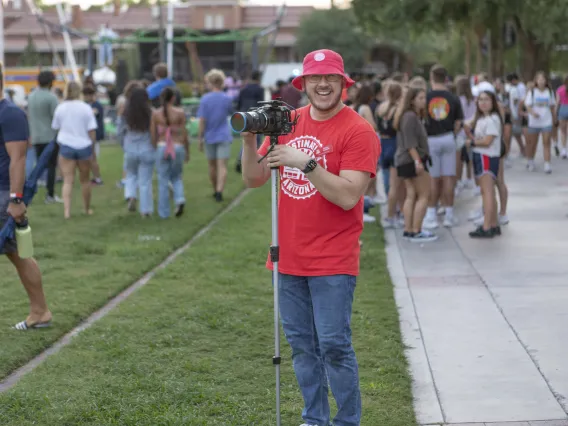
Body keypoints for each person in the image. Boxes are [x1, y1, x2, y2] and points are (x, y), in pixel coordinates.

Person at [240, 49, 380, 426]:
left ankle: (347, 420)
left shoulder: (358, 131)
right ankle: (314, 419)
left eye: (330, 79)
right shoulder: (288, 120)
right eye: (314, 79)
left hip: (333, 259)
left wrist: (305, 162)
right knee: (302, 348)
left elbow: (349, 194)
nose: (321, 85)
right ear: (302, 84)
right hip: (287, 256)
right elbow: (253, 178)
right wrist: (249, 139)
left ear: (343, 84)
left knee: (334, 346)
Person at [0, 66, 52, 330]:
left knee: (20, 255)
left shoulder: (9, 114)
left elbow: (18, 159)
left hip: (3, 194)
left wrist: (16, 198)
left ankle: (40, 311)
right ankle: (40, 311)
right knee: (19, 255)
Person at [422, 64, 464, 229]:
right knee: (448, 177)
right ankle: (449, 215)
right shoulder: (453, 98)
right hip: (448, 137)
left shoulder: (426, 97)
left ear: (431, 78)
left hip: (431, 139)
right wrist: (452, 133)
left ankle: (431, 214)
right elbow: (459, 122)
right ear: (446, 79)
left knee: (433, 178)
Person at [393, 86, 436, 242]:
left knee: (411, 194)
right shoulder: (410, 117)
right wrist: (418, 161)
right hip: (412, 159)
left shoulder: (408, 116)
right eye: (420, 98)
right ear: (412, 100)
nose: (424, 101)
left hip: (405, 159)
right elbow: (410, 143)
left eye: (424, 98)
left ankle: (409, 229)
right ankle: (416, 229)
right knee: (424, 194)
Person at [51, 82, 97, 219]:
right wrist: (92, 147)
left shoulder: (60, 108)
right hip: (83, 146)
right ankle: (87, 208)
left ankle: (67, 212)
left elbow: (56, 126)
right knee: (85, 180)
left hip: (66, 145)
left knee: (67, 180)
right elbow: (92, 130)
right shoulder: (86, 108)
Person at [464, 90, 503, 238]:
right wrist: (470, 135)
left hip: (486, 157)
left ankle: (486, 227)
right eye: (480, 100)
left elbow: (487, 141)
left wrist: (471, 142)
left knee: (486, 192)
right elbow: (479, 138)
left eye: (487, 100)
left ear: (493, 102)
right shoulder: (482, 119)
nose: (483, 102)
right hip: (481, 156)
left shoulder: (492, 119)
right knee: (489, 192)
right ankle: (493, 224)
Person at [151, 87, 190, 218]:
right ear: (173, 98)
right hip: (177, 146)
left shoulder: (156, 114)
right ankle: (179, 199)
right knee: (177, 176)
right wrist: (187, 150)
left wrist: (153, 148)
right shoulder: (179, 113)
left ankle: (164, 213)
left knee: (162, 179)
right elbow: (184, 133)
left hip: (162, 146)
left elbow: (153, 134)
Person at [117, 87, 156, 217]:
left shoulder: (125, 113)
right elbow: (154, 132)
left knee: (131, 175)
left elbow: (120, 131)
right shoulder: (151, 113)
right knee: (145, 181)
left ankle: (131, 196)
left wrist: (123, 145)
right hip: (147, 148)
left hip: (130, 148)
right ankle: (145, 210)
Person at [197, 69, 234, 202]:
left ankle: (215, 189)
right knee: (222, 165)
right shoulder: (227, 98)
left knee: (212, 165)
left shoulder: (205, 99)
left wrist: (200, 138)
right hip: (223, 134)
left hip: (209, 135)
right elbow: (232, 113)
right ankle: (219, 190)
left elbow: (202, 120)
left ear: (210, 82)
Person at [27, 70, 61, 203]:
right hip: (50, 137)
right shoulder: (51, 97)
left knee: (38, 166)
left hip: (35, 136)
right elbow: (56, 118)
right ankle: (50, 195)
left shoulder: (31, 96)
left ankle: (30, 192)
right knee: (52, 166)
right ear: (50, 82)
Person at [82, 85, 104, 185]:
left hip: (95, 134)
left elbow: (92, 113)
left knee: (93, 157)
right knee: (89, 158)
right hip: (87, 134)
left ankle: (97, 178)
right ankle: (94, 176)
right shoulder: (85, 105)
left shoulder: (96, 105)